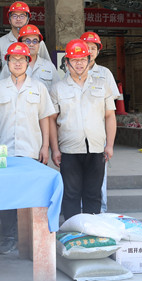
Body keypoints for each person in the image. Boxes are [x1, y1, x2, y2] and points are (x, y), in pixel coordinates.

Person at [0, 42, 56, 254]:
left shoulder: (39, 88)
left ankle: (32, 239)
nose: (17, 63)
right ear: (7, 62)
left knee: (31, 197)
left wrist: (45, 147)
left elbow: (45, 119)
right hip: (5, 151)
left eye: (21, 59)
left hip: (31, 151)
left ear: (28, 61)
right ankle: (9, 237)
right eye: (13, 59)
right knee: (7, 198)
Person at [49, 39, 116, 221]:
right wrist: (54, 149)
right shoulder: (57, 89)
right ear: (67, 63)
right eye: (74, 60)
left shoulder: (102, 86)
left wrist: (109, 145)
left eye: (82, 59)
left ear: (89, 60)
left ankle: (91, 237)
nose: (79, 63)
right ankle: (74, 236)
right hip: (69, 150)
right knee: (71, 195)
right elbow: (52, 121)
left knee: (93, 194)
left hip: (96, 149)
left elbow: (110, 116)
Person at [79, 31, 120, 213]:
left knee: (99, 176)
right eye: (86, 47)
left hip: (98, 132)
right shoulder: (72, 70)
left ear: (98, 51)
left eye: (93, 48)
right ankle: (81, 209)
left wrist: (109, 143)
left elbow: (111, 110)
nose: (89, 50)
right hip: (78, 134)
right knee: (79, 174)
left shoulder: (104, 73)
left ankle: (101, 210)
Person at [0, 1, 51, 81]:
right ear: (9, 20)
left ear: (28, 19)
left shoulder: (38, 43)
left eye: (22, 16)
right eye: (14, 16)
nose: (18, 19)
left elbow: (47, 64)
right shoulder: (0, 43)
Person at [17, 25, 59, 89]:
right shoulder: (12, 65)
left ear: (39, 44)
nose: (31, 44)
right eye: (27, 41)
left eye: (35, 41)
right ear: (20, 43)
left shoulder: (49, 66)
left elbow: (57, 92)